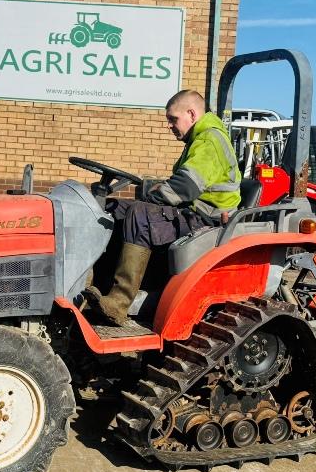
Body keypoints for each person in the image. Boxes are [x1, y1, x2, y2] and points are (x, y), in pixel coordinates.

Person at [85, 89, 241, 326]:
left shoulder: (209, 140)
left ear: (192, 114)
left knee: (140, 214)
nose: (169, 125)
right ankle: (99, 285)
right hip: (191, 211)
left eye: (173, 119)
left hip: (206, 219)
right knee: (115, 207)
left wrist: (151, 196)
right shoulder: (199, 139)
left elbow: (185, 187)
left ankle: (118, 303)